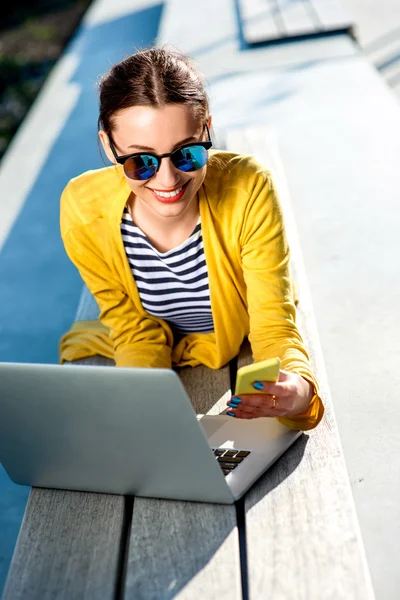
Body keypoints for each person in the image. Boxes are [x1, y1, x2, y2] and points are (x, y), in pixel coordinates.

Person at [59, 46, 324, 431]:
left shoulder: (248, 189)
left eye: (187, 154)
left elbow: (272, 325)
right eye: (140, 161)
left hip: (238, 343)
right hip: (148, 347)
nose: (167, 181)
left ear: (206, 130)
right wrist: (141, 400)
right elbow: (133, 327)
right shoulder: (83, 208)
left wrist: (298, 389)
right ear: (108, 146)